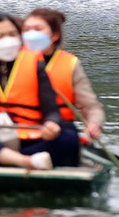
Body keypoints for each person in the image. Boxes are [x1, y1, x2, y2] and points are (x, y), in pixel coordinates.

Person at [0, 14, 79, 170]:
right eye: (0, 36)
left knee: (69, 137)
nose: (7, 40)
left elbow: (52, 111)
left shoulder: (35, 65)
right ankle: (25, 161)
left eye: (12, 34)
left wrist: (51, 124)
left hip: (28, 136)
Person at [22, 8, 105, 139]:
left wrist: (94, 124)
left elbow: (91, 107)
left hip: (57, 129)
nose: (31, 34)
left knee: (68, 139)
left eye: (37, 29)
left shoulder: (70, 64)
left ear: (54, 35)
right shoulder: (10, 59)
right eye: (26, 30)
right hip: (20, 127)